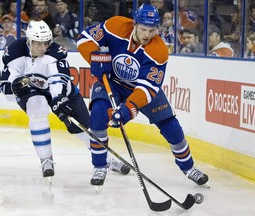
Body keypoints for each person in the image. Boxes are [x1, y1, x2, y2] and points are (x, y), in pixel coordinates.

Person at [77, 4, 209, 187]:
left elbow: (146, 90)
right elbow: (84, 38)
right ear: (135, 24)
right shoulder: (116, 26)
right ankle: (100, 165)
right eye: (144, 29)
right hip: (112, 82)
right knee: (98, 115)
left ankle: (188, 168)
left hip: (140, 88)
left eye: (152, 30)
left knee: (171, 126)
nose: (147, 34)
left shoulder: (159, 51)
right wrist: (94, 57)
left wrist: (127, 110)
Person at [0, 20, 130, 180]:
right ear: (29, 41)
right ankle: (46, 159)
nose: (42, 48)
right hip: (33, 92)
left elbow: (58, 79)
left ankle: (107, 160)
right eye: (38, 44)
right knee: (37, 107)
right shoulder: (14, 51)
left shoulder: (55, 52)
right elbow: (7, 88)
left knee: (83, 128)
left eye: (45, 43)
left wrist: (58, 99)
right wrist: (13, 88)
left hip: (63, 92)